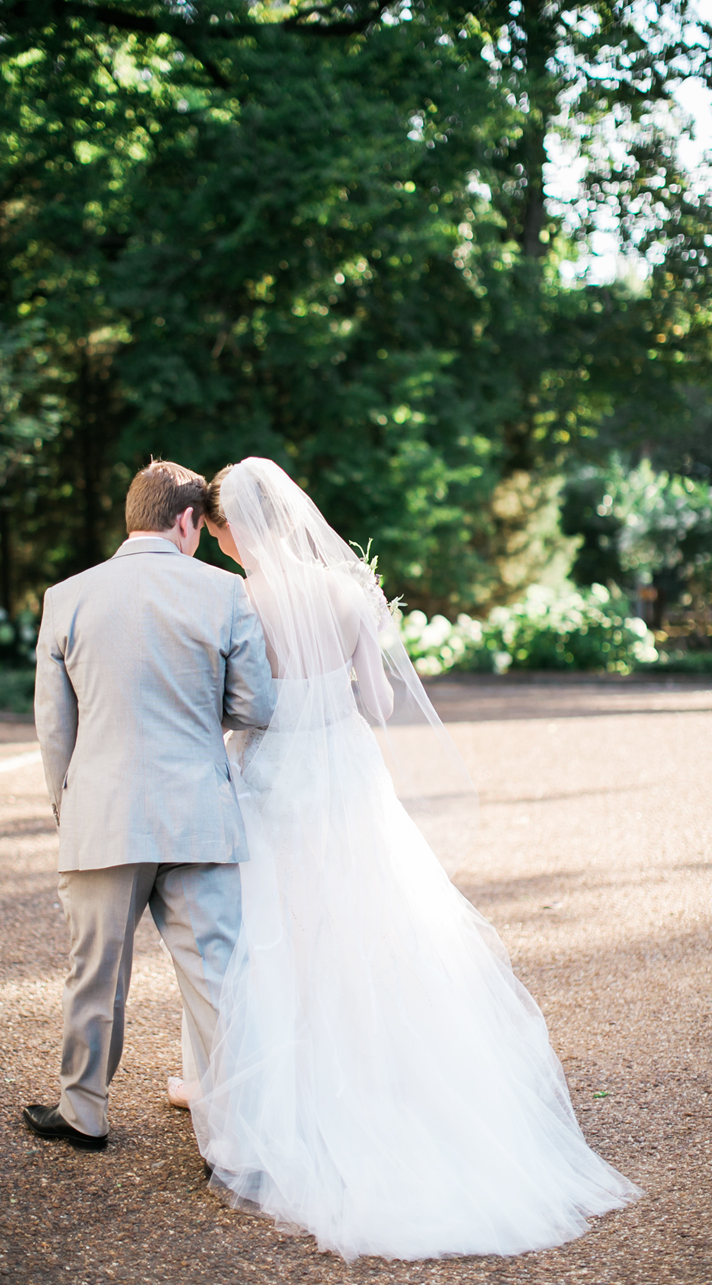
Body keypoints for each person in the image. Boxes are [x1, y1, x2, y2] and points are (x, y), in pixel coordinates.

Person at [191, 456, 639, 1260]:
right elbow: (380, 702)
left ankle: (270, 1099)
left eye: (218, 529)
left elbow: (237, 702)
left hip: (272, 773)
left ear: (229, 528)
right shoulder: (346, 588)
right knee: (373, 920)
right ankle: (393, 1075)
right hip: (346, 775)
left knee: (272, 930)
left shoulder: (236, 598)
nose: (219, 542)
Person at [22, 460, 276, 1151]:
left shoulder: (67, 596)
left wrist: (65, 805)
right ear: (188, 520)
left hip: (103, 812)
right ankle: (239, 1140)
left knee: (95, 972)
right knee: (218, 978)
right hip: (199, 813)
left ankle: (84, 1111)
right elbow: (258, 705)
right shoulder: (227, 594)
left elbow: (54, 728)